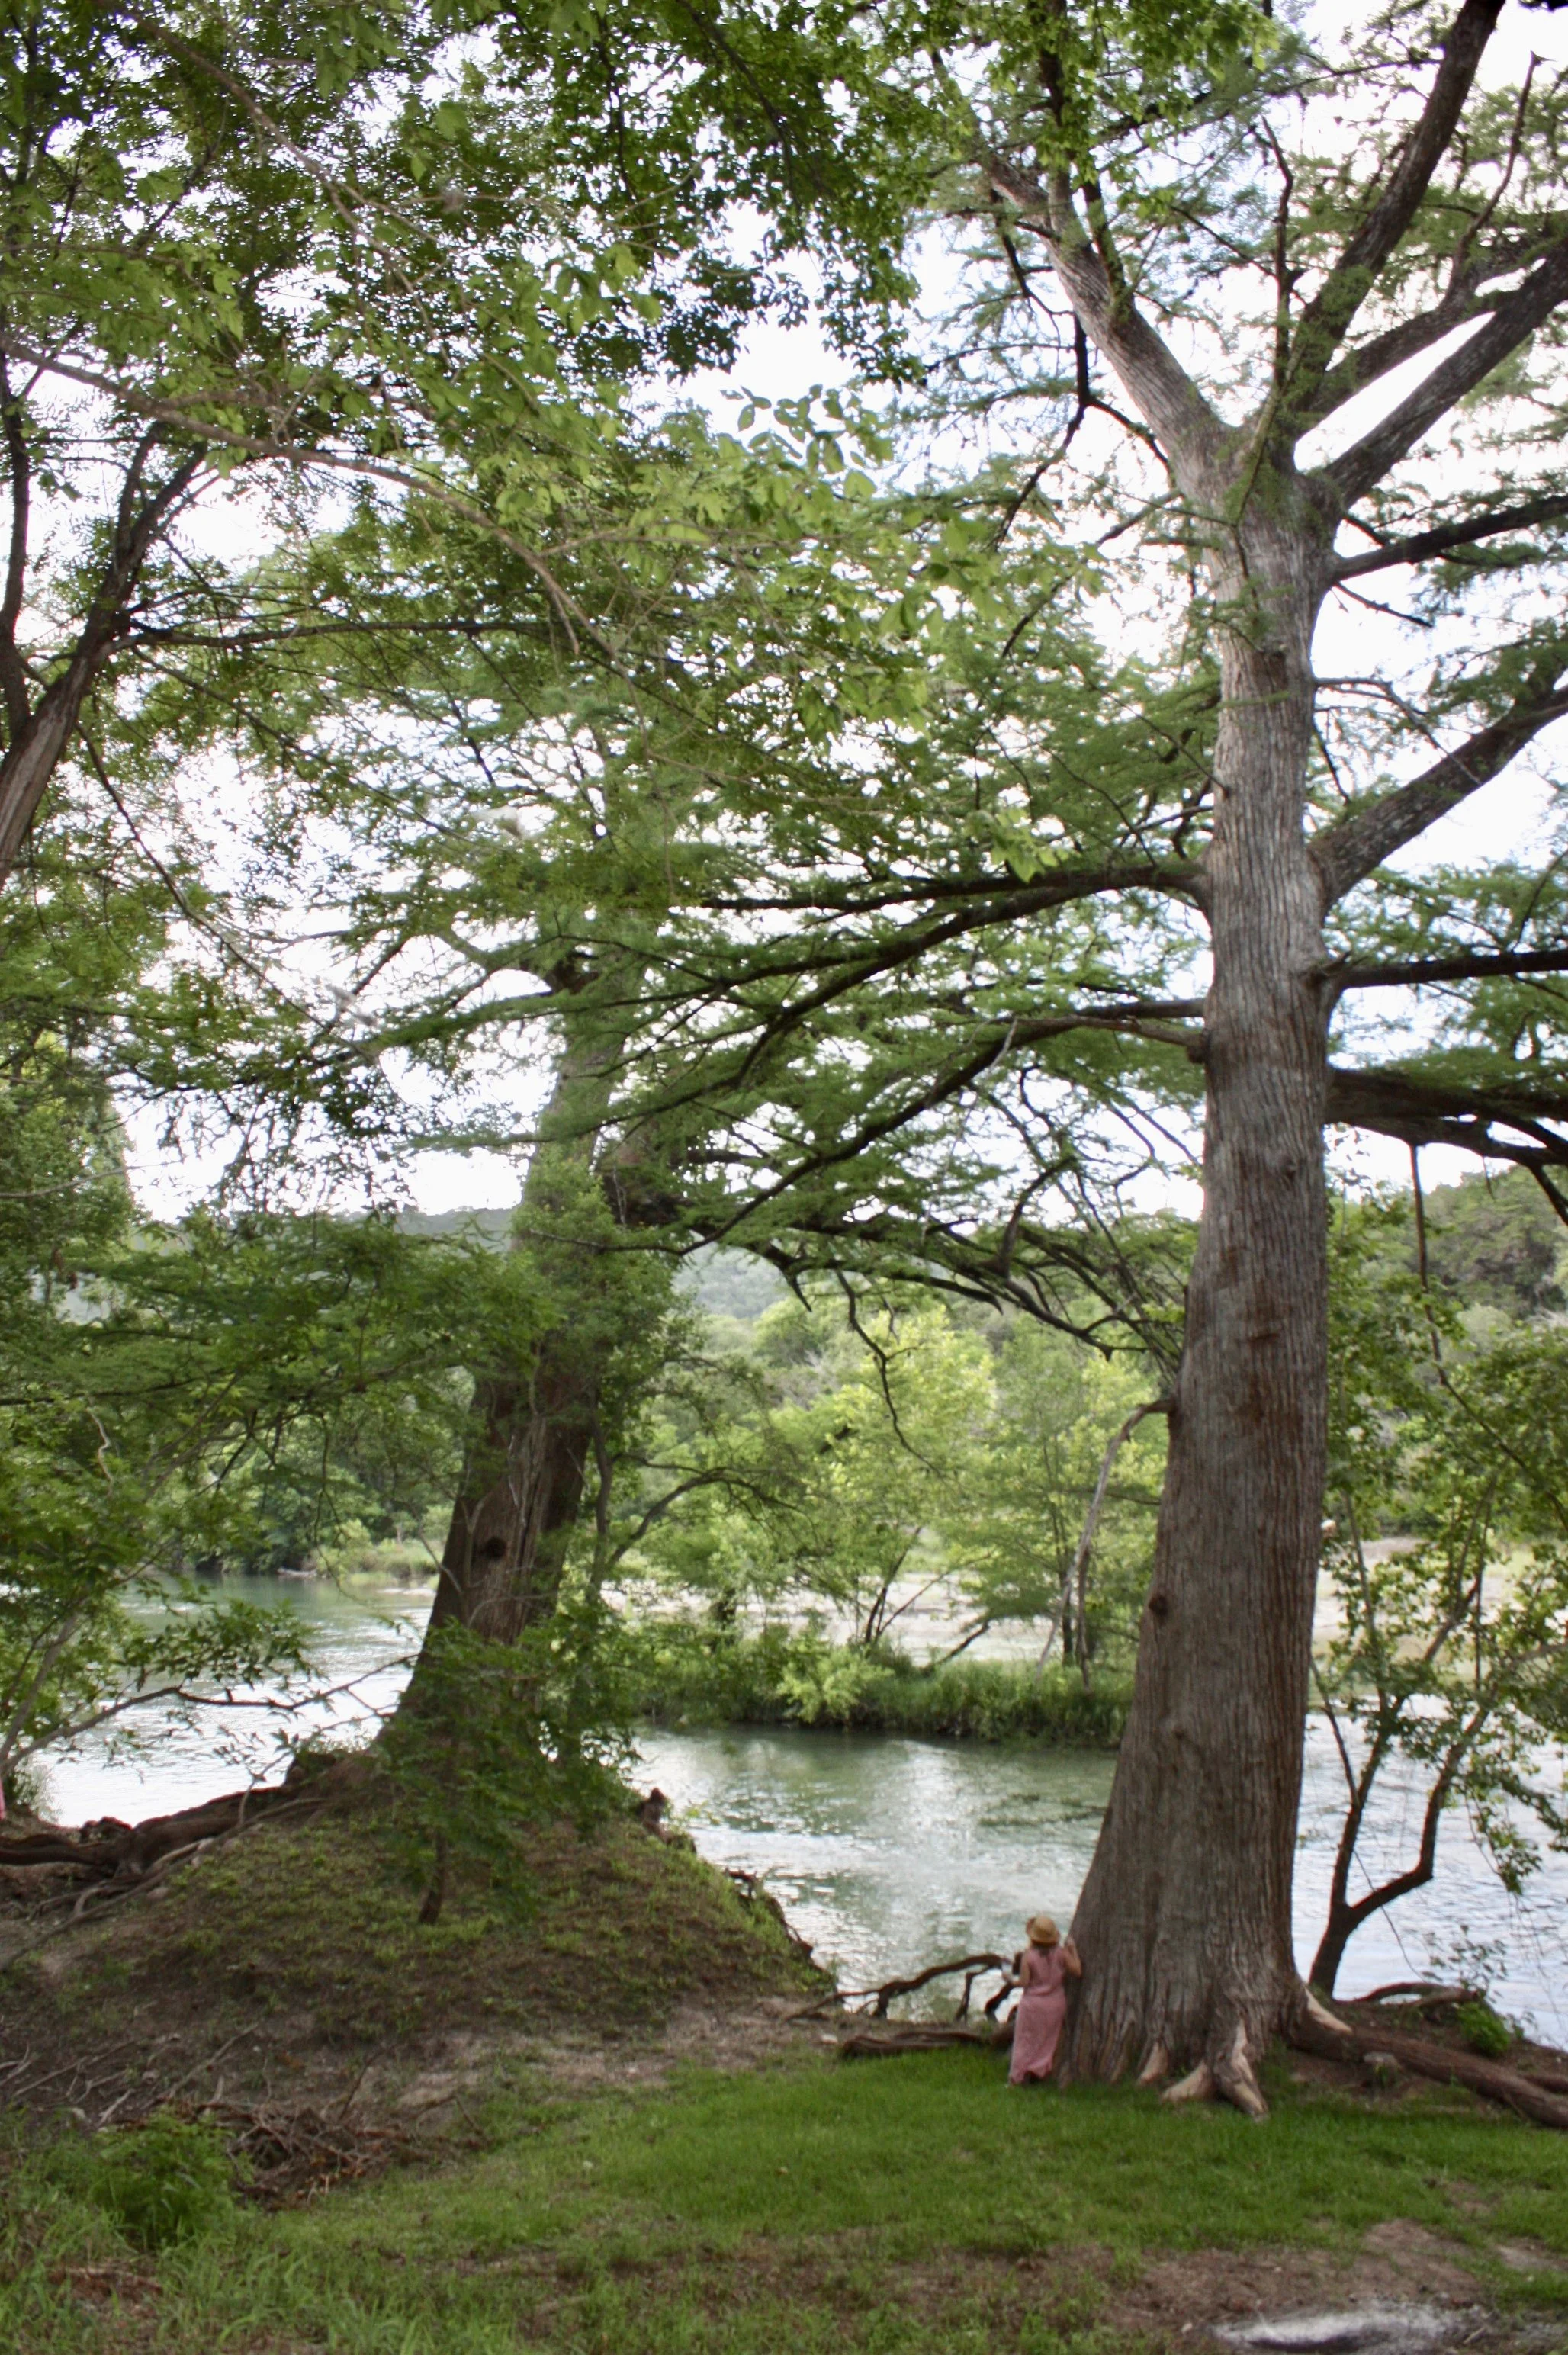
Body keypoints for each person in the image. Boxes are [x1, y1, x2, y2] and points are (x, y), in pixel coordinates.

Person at [1007, 1912, 1081, 2085]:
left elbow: (1024, 1982)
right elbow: (1077, 1971)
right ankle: (1038, 2071)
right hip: (1055, 2004)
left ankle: (1018, 2076)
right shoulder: (1061, 1954)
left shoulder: (1029, 1957)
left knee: (1025, 2040)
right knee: (1047, 2040)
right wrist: (1073, 1949)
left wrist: (1010, 1981)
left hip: (1032, 2005)